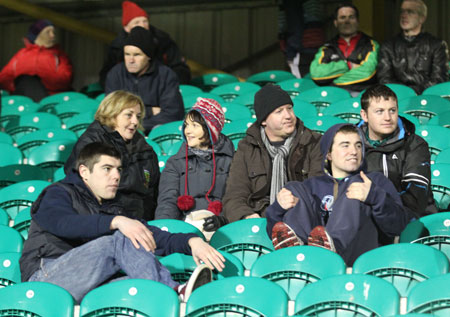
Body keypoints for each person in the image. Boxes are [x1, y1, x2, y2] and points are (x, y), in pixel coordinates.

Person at [20, 142, 225, 303]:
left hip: (85, 283)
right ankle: (173, 293)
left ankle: (190, 297)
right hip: (45, 280)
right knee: (118, 239)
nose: (116, 176)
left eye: (118, 169)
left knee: (135, 287)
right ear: (84, 172)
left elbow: (147, 234)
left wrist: (190, 241)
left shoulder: (113, 207)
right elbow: (64, 223)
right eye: (107, 169)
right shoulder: (57, 193)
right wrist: (115, 222)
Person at [267, 124, 411, 265]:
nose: (354, 151)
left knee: (355, 185)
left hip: (357, 259)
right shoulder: (311, 186)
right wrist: (278, 208)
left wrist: (374, 196)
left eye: (358, 145)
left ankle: (332, 248)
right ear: (329, 154)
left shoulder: (374, 182)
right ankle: (298, 248)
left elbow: (398, 226)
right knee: (294, 187)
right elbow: (272, 231)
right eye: (345, 145)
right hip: (309, 259)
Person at [222, 84, 323, 223]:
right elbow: (235, 194)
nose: (288, 116)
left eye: (289, 108)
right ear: (264, 120)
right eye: (279, 111)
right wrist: (246, 216)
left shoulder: (313, 142)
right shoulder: (247, 148)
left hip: (301, 217)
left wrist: (297, 204)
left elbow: (319, 190)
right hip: (260, 219)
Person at [64, 90, 160, 220]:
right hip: (103, 219)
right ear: (112, 115)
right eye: (128, 115)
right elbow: (81, 188)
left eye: (138, 116)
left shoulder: (145, 148)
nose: (135, 121)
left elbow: (154, 191)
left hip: (141, 219)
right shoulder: (92, 142)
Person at [155, 98, 234, 237]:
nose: (187, 131)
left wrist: (223, 220)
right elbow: (167, 201)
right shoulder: (175, 162)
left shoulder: (232, 161)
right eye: (186, 125)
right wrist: (166, 231)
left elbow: (235, 198)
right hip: (184, 230)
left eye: (195, 125)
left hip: (221, 230)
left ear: (210, 129)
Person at [358, 84, 436, 220]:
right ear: (364, 115)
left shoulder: (415, 145)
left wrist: (376, 199)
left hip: (410, 217)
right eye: (379, 111)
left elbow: (415, 197)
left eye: (392, 110)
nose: (388, 117)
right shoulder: (352, 144)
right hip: (364, 215)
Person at [105, 26, 184, 134]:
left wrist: (136, 125)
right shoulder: (115, 74)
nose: (131, 60)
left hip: (154, 133)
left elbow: (172, 114)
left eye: (137, 55)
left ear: (149, 56)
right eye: (127, 54)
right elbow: (111, 113)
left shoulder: (166, 75)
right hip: (121, 134)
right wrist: (150, 111)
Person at [99, 0, 190, 88]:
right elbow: (106, 75)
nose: (142, 25)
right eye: (137, 22)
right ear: (126, 28)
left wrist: (169, 85)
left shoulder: (164, 41)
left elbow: (180, 68)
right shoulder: (117, 47)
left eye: (145, 21)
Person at [377, 0, 448, 94]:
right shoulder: (388, 45)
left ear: (422, 18)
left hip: (427, 97)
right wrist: (405, 92)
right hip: (397, 97)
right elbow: (384, 79)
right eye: (402, 11)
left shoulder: (437, 45)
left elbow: (439, 79)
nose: (404, 15)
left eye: (410, 12)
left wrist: (413, 92)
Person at [309, 3, 378, 93]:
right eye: (342, 17)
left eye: (351, 17)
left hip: (361, 94)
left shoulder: (371, 44)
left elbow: (367, 72)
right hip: (334, 95)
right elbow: (316, 74)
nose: (347, 21)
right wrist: (348, 65)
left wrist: (333, 81)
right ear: (335, 23)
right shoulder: (326, 48)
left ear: (357, 21)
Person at [0, 19, 72, 102]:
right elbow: (4, 79)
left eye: (53, 32)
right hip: (22, 97)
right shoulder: (21, 55)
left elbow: (65, 80)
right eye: (48, 32)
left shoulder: (59, 56)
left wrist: (39, 80)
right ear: (37, 35)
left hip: (50, 98)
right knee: (25, 80)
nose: (52, 35)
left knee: (29, 81)